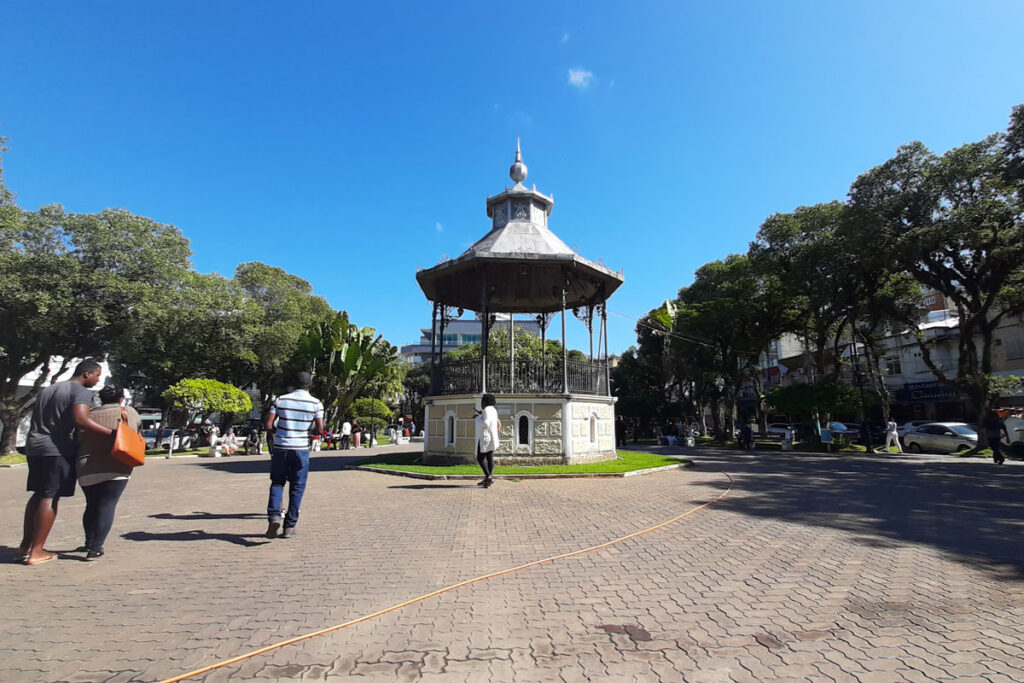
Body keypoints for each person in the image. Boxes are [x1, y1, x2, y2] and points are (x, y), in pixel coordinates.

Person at [20, 359, 114, 565]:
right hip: (57, 450)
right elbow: (81, 419)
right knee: (50, 497)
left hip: (35, 448)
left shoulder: (49, 389)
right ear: (87, 374)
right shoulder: (81, 391)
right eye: (97, 375)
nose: (98, 381)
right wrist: (111, 434)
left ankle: (26, 545)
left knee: (38, 495)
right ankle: (37, 552)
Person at [76, 385, 141, 561]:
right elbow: (136, 430)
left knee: (91, 504)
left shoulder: (88, 415)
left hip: (87, 465)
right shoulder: (129, 412)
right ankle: (96, 548)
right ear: (121, 399)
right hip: (119, 463)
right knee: (107, 504)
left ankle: (89, 542)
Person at [264, 372, 324, 539]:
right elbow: (319, 430)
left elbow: (269, 424)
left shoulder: (280, 400)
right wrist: (305, 432)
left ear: (294, 384)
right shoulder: (316, 403)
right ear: (309, 385)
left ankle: (274, 516)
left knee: (277, 483)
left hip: (281, 447)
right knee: (297, 487)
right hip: (301, 450)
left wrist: (280, 432)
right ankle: (289, 526)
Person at [475, 393, 501, 488]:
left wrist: (478, 418)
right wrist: (481, 414)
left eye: (482, 401)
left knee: (480, 458)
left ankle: (488, 477)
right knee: (490, 459)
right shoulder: (493, 410)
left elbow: (485, 423)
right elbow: (489, 418)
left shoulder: (486, 410)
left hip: (486, 438)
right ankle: (488, 479)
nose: (481, 404)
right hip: (493, 438)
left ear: (485, 402)